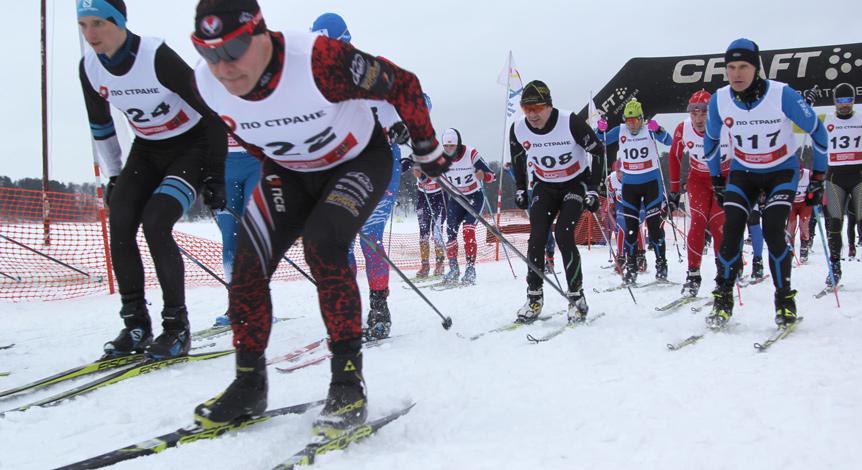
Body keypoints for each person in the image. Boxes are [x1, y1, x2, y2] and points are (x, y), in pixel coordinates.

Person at [189, 0, 448, 436]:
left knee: (323, 243)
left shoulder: (317, 60)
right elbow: (247, 131)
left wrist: (426, 145)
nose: (223, 67)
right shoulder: (205, 83)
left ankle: (348, 384)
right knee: (249, 263)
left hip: (357, 162)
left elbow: (403, 84)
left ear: (260, 33)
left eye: (232, 50)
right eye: (208, 52)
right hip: (288, 172)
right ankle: (249, 382)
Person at [77, 0, 227, 360]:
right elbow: (101, 126)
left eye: (98, 23)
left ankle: (176, 328)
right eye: (83, 25)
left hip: (190, 148)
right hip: (146, 151)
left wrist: (215, 174)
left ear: (119, 22)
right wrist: (114, 174)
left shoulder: (155, 55)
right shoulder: (89, 67)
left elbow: (212, 113)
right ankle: (135, 325)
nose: (90, 33)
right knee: (121, 220)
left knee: (156, 223)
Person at [703, 38, 827, 328]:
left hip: (781, 171)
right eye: (731, 67)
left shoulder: (782, 95)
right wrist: (716, 178)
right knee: (731, 227)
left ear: (756, 68)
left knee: (773, 228)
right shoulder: (719, 99)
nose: (736, 73)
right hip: (743, 171)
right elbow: (710, 138)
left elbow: (819, 133)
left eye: (743, 66)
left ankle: (784, 300)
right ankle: (723, 298)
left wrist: (819, 177)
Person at [311, 12, 412, 341]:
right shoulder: (317, 82)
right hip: (344, 161)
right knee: (340, 240)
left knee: (369, 234)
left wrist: (403, 122)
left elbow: (419, 99)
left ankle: (380, 309)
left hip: (383, 158)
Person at [510, 80, 605, 323]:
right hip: (545, 186)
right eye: (526, 109)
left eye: (537, 108)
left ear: (549, 106)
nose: (532, 114)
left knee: (564, 235)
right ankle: (534, 297)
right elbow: (518, 158)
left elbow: (598, 150)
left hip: (575, 184)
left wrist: (594, 189)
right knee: (537, 237)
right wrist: (521, 188)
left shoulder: (569, 121)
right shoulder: (518, 128)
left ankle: (576, 296)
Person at [597, 99, 673, 283]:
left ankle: (661, 265)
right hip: (630, 185)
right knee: (630, 229)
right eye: (628, 120)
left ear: (641, 118)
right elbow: (600, 139)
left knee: (654, 228)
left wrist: (660, 129)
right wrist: (600, 129)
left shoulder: (649, 129)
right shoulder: (621, 130)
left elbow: (669, 141)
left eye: (635, 120)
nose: (632, 124)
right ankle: (631, 267)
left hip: (651, 183)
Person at [669, 90, 732, 296]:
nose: (698, 119)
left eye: (703, 114)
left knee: (717, 223)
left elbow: (744, 150)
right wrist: (675, 190)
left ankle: (723, 274)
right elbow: (675, 156)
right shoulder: (683, 128)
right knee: (698, 221)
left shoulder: (726, 125)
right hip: (698, 180)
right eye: (694, 114)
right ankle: (693, 274)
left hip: (724, 177)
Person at [212, 131, 262, 327]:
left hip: (257, 161)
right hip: (223, 164)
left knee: (252, 234)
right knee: (230, 238)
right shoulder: (206, 98)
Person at [439, 128, 495, 285]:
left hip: (474, 198)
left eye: (452, 146)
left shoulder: (471, 153)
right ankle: (454, 268)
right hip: (456, 199)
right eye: (446, 146)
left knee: (468, 230)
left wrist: (483, 175)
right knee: (450, 232)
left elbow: (492, 176)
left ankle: (470, 269)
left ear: (458, 144)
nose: (449, 150)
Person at [822, 82, 862, 285]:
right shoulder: (826, 119)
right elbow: (805, 124)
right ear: (835, 101)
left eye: (849, 100)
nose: (845, 104)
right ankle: (835, 268)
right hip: (834, 177)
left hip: (859, 175)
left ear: (853, 100)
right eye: (841, 100)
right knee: (835, 223)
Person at [606, 160, 646, 273]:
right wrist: (612, 207)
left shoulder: (635, 176)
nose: (621, 175)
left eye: (623, 172)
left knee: (637, 226)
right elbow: (611, 194)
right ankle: (621, 256)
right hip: (621, 202)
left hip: (638, 202)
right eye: (618, 172)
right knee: (622, 227)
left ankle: (641, 255)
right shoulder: (611, 179)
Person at [787, 162, 813, 263]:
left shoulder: (808, 174)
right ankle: (790, 250)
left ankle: (804, 249)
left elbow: (818, 185)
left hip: (805, 204)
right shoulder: (788, 175)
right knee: (790, 226)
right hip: (792, 204)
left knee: (804, 224)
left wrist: (815, 196)